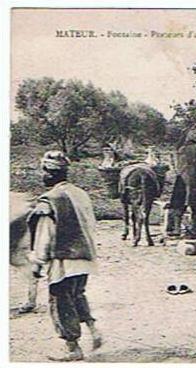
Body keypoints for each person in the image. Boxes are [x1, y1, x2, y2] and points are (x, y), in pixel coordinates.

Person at [27, 151, 102, 361]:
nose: (43, 176)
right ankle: (94, 330)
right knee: (77, 294)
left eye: (44, 172)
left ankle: (73, 348)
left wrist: (38, 263)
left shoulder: (50, 200)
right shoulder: (80, 193)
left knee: (60, 301)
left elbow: (45, 234)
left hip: (63, 260)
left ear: (50, 174)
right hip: (85, 256)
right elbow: (90, 223)